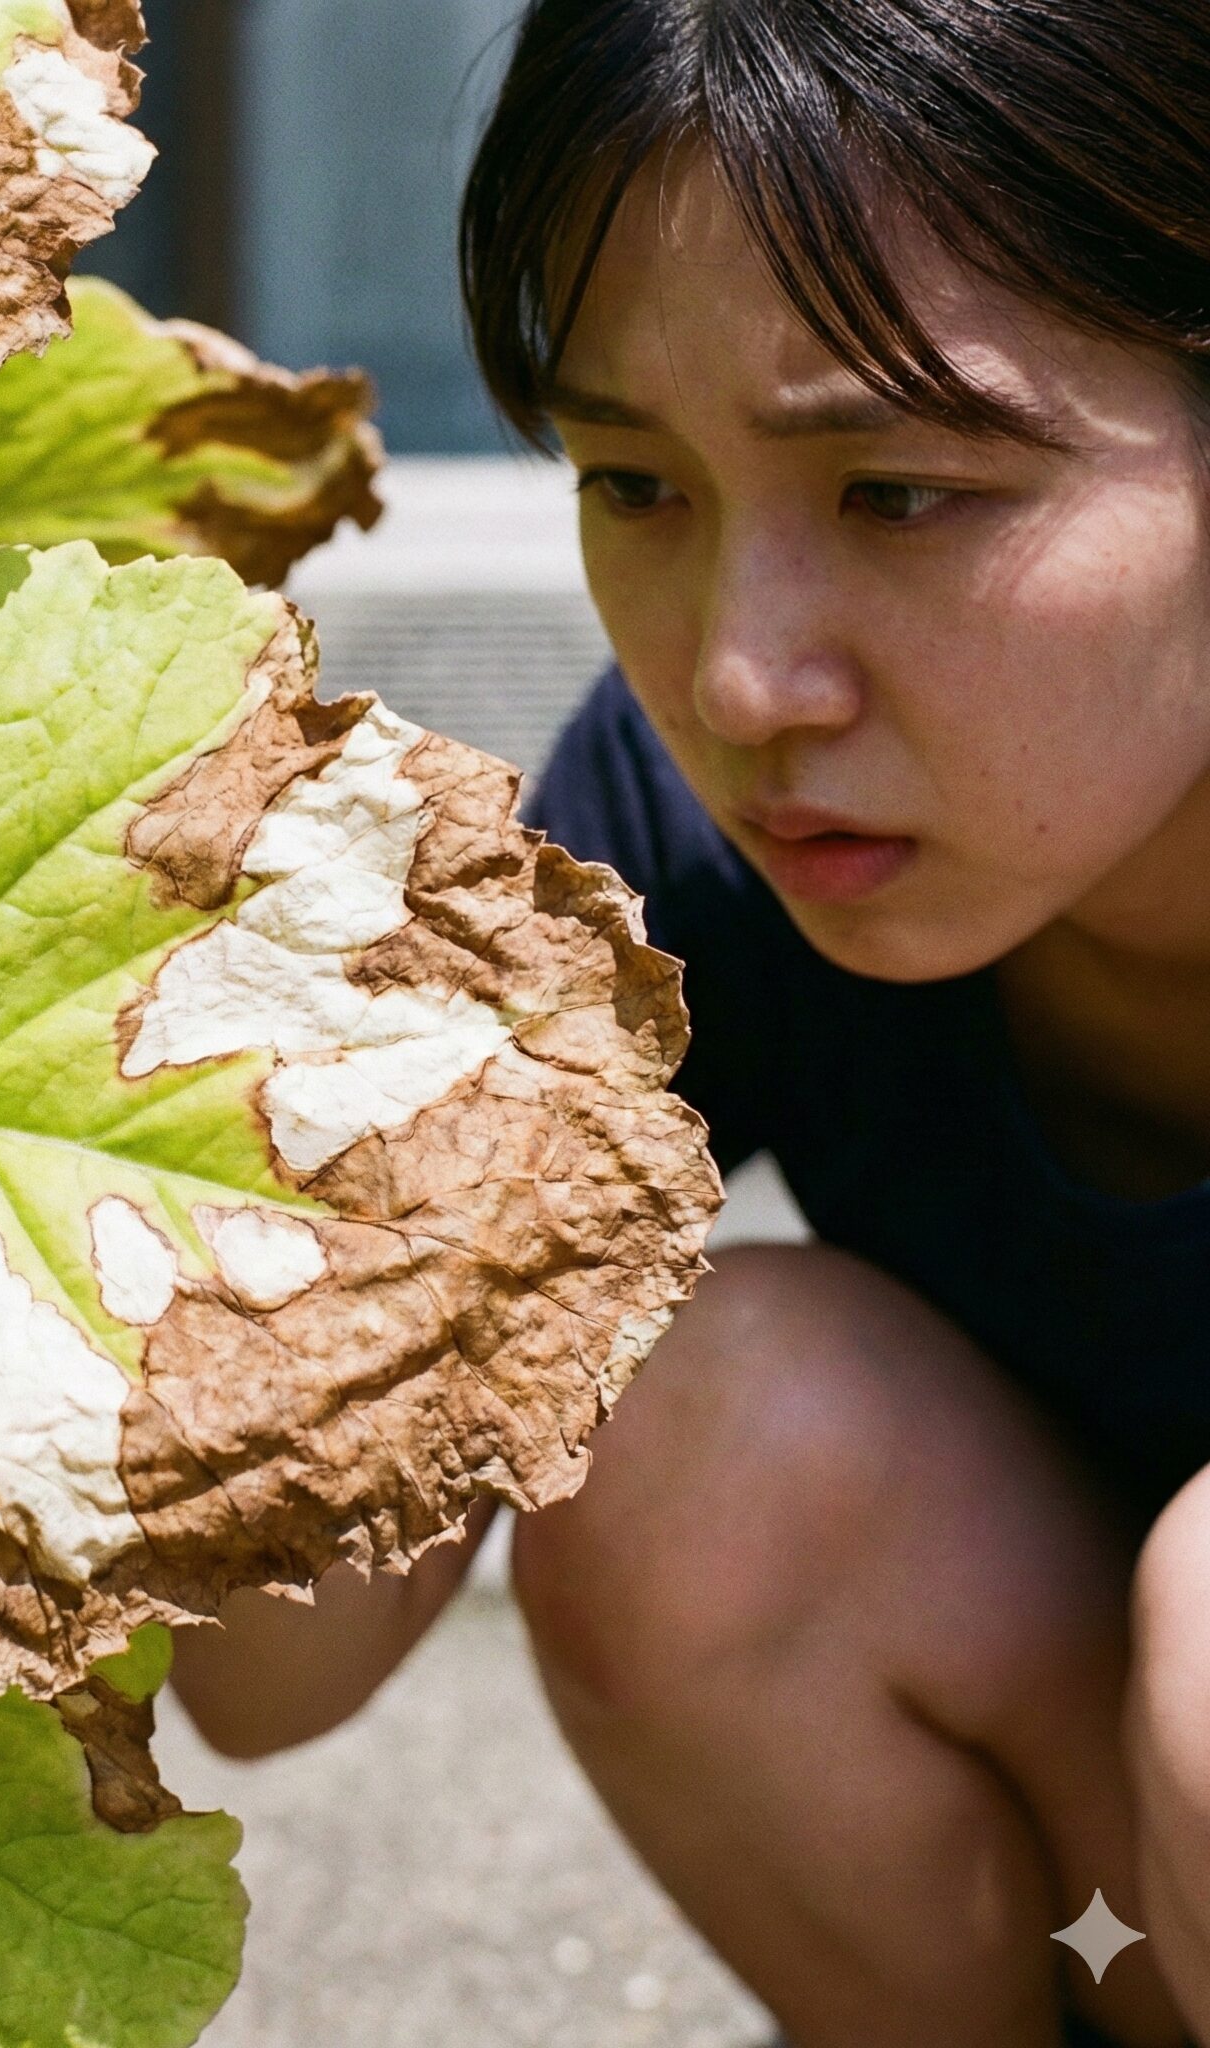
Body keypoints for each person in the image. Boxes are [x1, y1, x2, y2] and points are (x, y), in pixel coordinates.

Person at [165, 3, 1210, 2043]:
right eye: (634, 482)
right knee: (694, 1448)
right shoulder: (687, 874)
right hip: (1140, 1895)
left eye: (900, 493)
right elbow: (261, 1669)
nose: (737, 679)